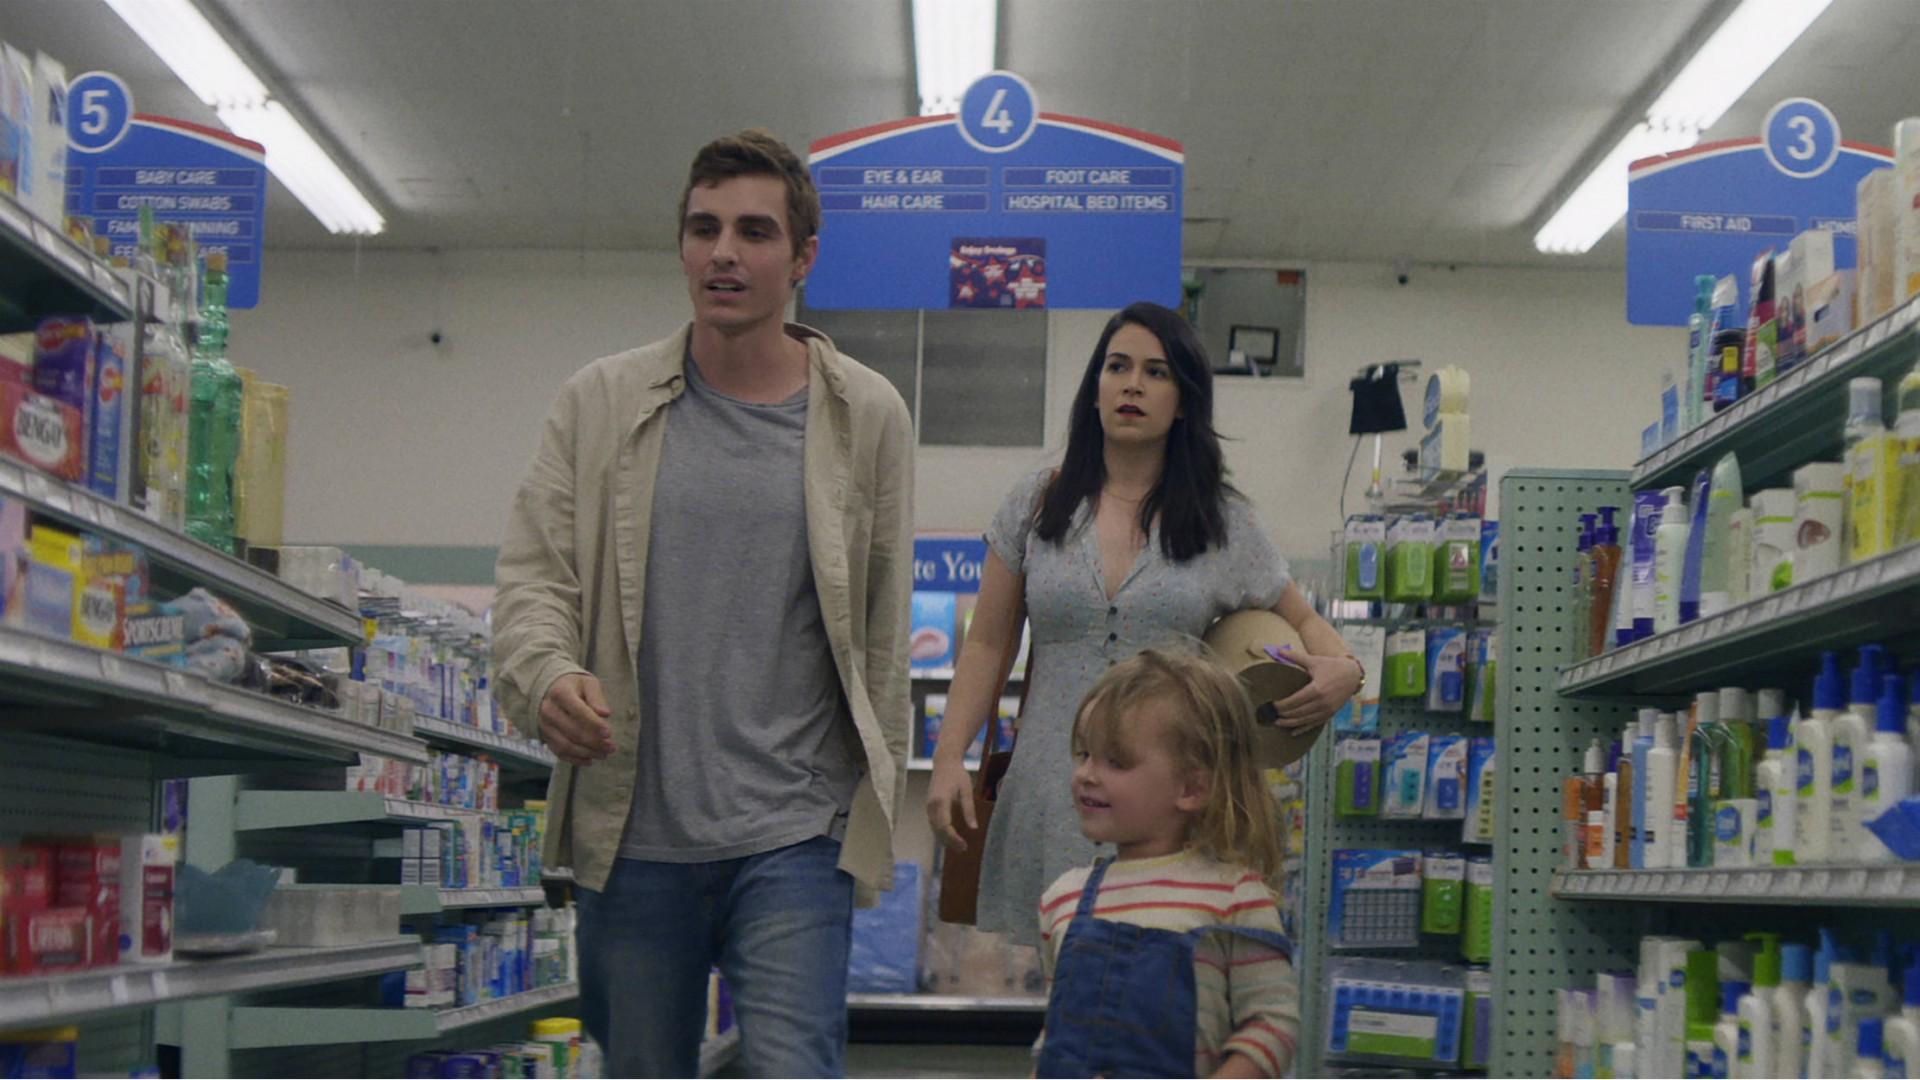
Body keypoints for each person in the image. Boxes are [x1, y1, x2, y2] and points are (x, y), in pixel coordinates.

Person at [491, 128, 915, 1078]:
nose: (724, 252)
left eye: (755, 232)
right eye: (704, 228)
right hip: (634, 832)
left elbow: (883, 635)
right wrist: (547, 675)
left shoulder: (868, 416)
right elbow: (534, 579)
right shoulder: (597, 404)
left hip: (797, 833)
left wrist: (869, 814)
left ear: (803, 258)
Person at [925, 301, 1360, 943]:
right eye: (1117, 366)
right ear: (1095, 387)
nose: (1132, 384)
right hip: (1054, 787)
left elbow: (1306, 622)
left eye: (1156, 372)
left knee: (1161, 974)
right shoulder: (1037, 504)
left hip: (1171, 800)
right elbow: (988, 644)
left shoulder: (1222, 522)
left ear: (1183, 402)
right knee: (1067, 974)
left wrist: (1344, 671)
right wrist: (947, 758)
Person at [1035, 649, 1300, 1078]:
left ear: (1191, 788)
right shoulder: (1063, 898)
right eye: (1083, 754)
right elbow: (1055, 1036)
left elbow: (1272, 1026)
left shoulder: (1234, 898)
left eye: (1116, 761)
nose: (1087, 774)